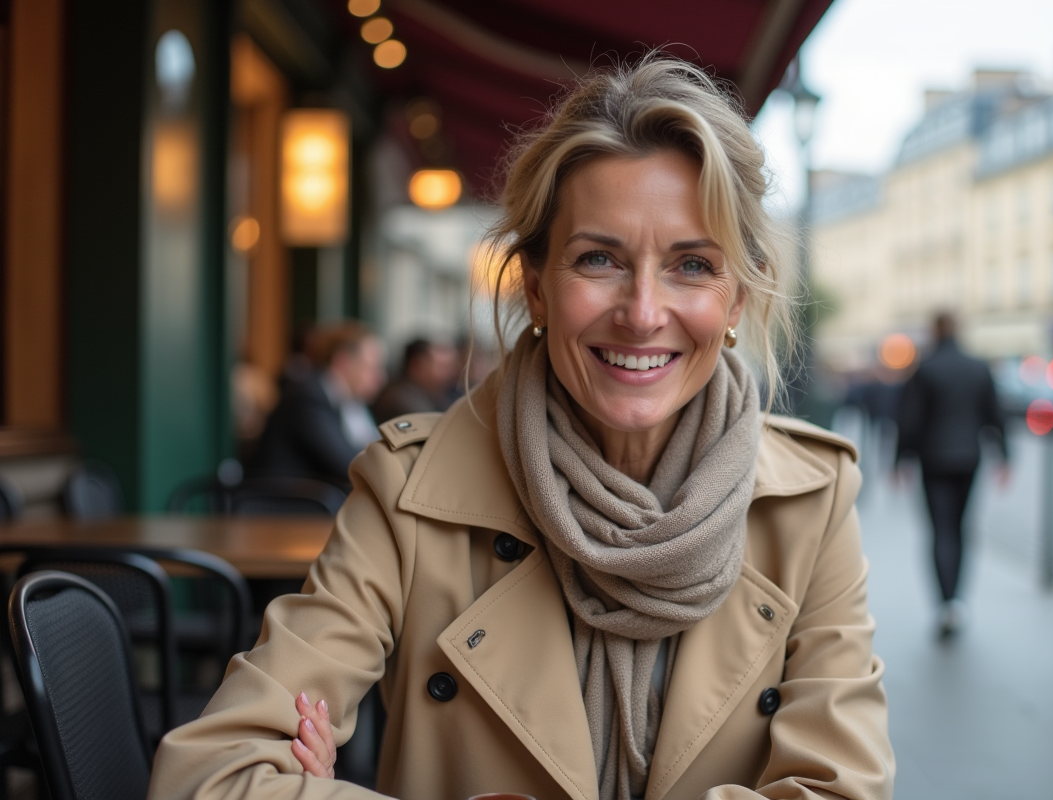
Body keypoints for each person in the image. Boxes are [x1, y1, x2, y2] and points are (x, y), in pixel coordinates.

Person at [149, 56, 894, 800]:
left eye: (692, 265)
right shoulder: (408, 491)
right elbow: (210, 776)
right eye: (598, 258)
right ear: (536, 288)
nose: (641, 311)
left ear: (735, 301)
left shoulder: (811, 504)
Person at [895, 312, 1008, 637]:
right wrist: (1004, 456)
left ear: (934, 331)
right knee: (961, 528)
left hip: (933, 460)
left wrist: (898, 460)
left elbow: (910, 420)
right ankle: (958, 599)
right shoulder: (977, 366)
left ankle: (945, 602)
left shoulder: (926, 368)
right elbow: (995, 414)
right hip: (969, 458)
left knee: (940, 530)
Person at [251, 321, 387, 492]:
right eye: (371, 368)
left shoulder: (346, 401)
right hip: (286, 508)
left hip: (314, 502)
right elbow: (351, 465)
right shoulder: (307, 397)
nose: (380, 378)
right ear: (343, 362)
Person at [370, 338, 460, 420]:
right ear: (416, 366)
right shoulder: (403, 403)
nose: (450, 373)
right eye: (441, 367)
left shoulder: (426, 394)